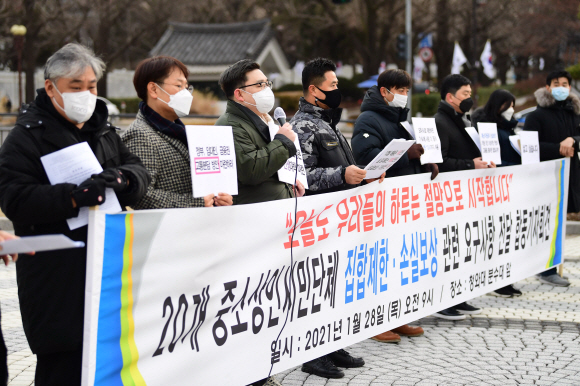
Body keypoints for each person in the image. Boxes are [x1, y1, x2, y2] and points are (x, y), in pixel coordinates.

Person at [0, 43, 150, 385]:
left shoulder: (103, 130)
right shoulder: (25, 138)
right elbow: (14, 199)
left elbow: (140, 173)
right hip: (56, 276)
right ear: (51, 87)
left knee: (108, 361)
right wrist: (73, 197)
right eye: (76, 87)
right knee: (63, 367)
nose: (86, 95)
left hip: (108, 267)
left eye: (92, 86)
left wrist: (124, 179)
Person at [215, 59, 303, 386]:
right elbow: (250, 169)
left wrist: (290, 179)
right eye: (260, 85)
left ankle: (263, 370)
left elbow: (272, 165)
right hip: (252, 226)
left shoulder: (261, 120)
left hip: (274, 219)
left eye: (267, 83)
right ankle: (249, 375)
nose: (268, 90)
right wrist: (283, 143)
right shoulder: (231, 125)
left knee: (272, 303)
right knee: (252, 305)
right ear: (240, 93)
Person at [291, 58, 377, 379]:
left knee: (336, 285)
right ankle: (312, 354)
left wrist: (364, 176)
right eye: (332, 85)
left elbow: (344, 171)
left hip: (339, 220)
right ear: (314, 90)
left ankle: (331, 343)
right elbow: (303, 178)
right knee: (317, 289)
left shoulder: (329, 124)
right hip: (317, 221)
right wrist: (343, 173)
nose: (337, 90)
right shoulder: (303, 126)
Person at [352, 69, 437, 342]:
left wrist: (422, 161)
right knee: (381, 264)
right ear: (384, 90)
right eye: (398, 90)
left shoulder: (401, 119)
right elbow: (366, 158)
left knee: (399, 263)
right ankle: (375, 323)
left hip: (403, 204)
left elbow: (404, 152)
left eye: (406, 90)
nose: (403, 95)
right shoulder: (367, 119)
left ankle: (396, 317)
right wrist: (405, 154)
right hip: (381, 205)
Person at [122, 56, 232, 209]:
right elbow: (141, 195)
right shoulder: (140, 135)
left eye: (187, 87)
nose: (186, 93)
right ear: (153, 89)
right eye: (179, 85)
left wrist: (218, 197)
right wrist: (196, 203)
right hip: (168, 229)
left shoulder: (180, 131)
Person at [433, 74, 494, 320]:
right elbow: (440, 162)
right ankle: (443, 301)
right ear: (450, 97)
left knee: (460, 251)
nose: (470, 99)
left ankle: (459, 296)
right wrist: (471, 164)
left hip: (467, 197)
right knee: (447, 252)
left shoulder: (463, 120)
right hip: (448, 198)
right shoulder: (441, 122)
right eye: (465, 95)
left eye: (470, 94)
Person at [523, 70, 580, 287]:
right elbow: (529, 148)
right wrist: (558, 148)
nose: (561, 87)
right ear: (547, 87)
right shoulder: (537, 116)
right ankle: (546, 269)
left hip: (569, 175)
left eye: (565, 84)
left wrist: (573, 140)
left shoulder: (574, 113)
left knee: (558, 224)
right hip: (544, 178)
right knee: (546, 223)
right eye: (556, 83)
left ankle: (552, 267)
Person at [472, 89, 523, 297]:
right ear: (497, 105)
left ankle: (506, 278)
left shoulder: (511, 128)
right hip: (495, 189)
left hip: (511, 189)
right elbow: (493, 159)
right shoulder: (488, 129)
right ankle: (495, 280)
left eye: (513, 105)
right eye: (506, 105)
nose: (511, 110)